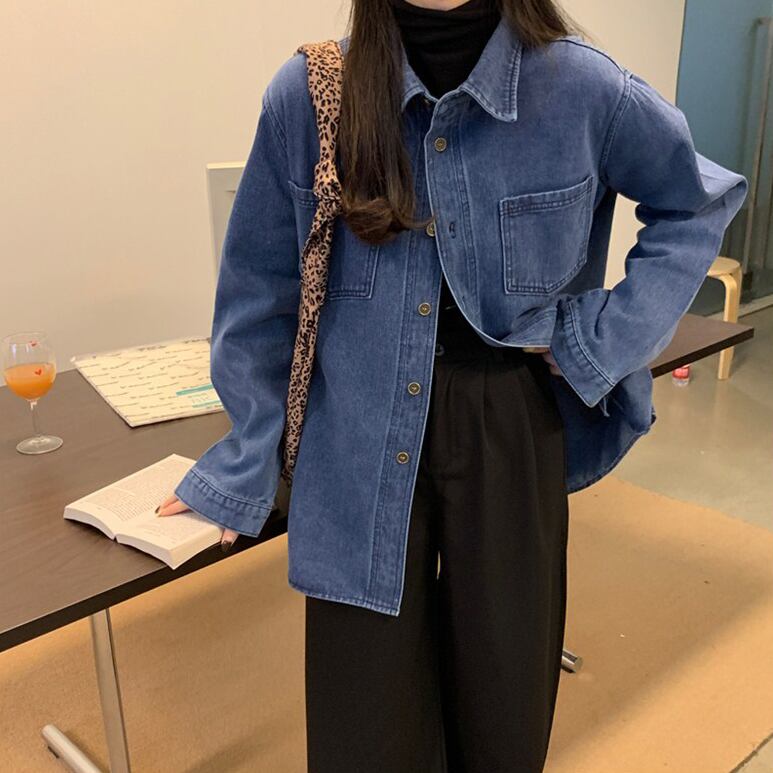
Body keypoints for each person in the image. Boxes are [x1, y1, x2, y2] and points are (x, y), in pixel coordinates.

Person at [156, 1, 748, 770]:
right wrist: (243, 461)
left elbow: (697, 200)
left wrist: (600, 339)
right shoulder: (306, 97)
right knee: (363, 727)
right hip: (354, 434)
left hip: (509, 422)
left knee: (504, 714)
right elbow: (257, 296)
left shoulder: (582, 89)